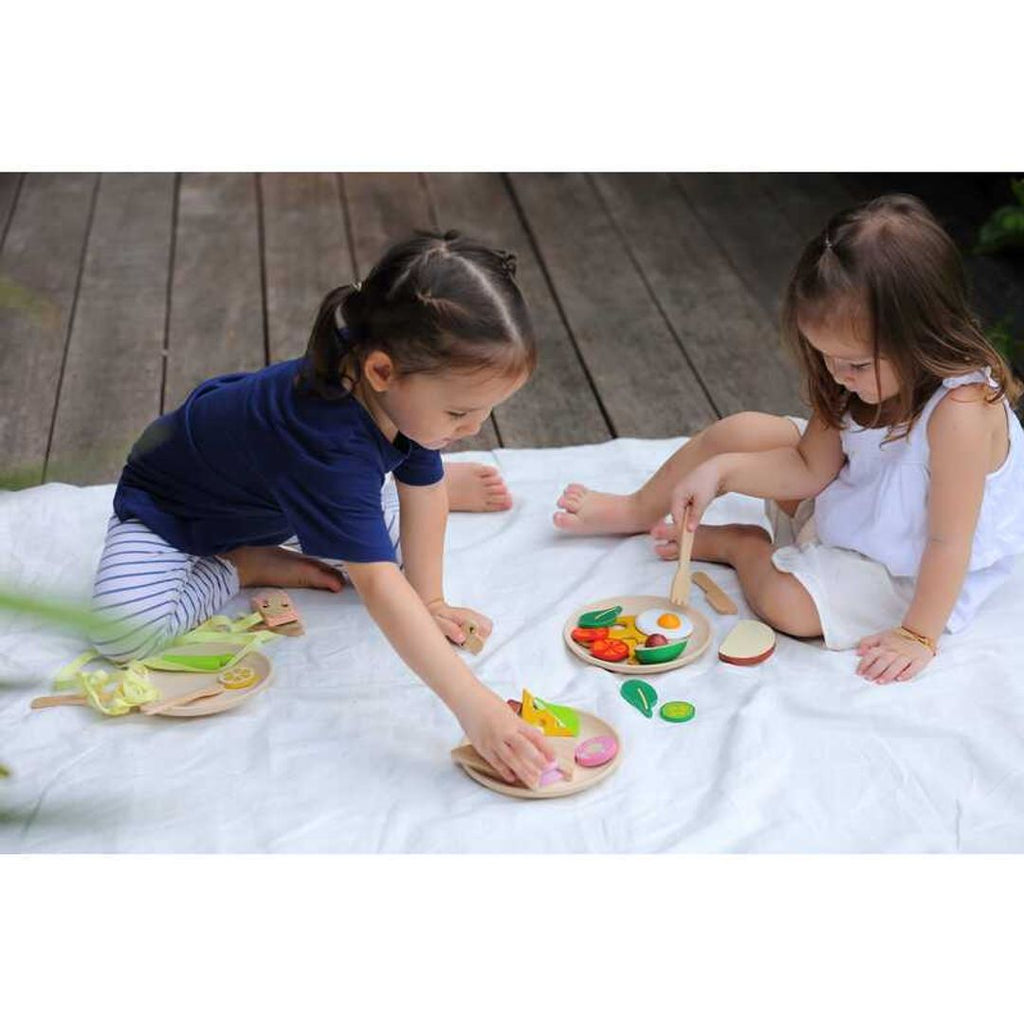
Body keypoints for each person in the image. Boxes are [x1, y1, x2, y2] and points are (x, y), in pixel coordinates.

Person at [90, 230, 554, 786]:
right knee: (121, 635)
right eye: (460, 413)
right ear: (382, 371)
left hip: (281, 499)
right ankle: (241, 564)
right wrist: (475, 705)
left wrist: (430, 598)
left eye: (484, 413)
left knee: (408, 566)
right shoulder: (327, 444)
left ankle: (358, 506)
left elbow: (422, 488)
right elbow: (380, 587)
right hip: (176, 510)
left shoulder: (394, 396)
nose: (474, 429)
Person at [554, 194, 1024, 683]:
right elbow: (808, 468)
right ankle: (636, 508)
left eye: (856, 364)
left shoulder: (960, 413)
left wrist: (918, 634)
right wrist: (722, 473)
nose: (838, 374)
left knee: (789, 608)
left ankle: (742, 546)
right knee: (740, 433)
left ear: (923, 336)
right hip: (855, 503)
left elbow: (949, 542)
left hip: (913, 568)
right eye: (824, 356)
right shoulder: (850, 379)